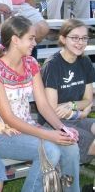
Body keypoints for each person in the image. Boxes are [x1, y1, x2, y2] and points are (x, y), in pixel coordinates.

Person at [0, 15, 93, 192]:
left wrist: (61, 128)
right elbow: (9, 118)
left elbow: (44, 105)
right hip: (1, 134)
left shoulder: (31, 64)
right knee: (51, 150)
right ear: (15, 40)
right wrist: (48, 134)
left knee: (71, 147)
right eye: (31, 39)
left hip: (28, 129)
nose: (35, 43)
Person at [41, 19, 95, 164]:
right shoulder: (52, 65)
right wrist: (80, 111)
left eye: (84, 38)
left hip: (77, 119)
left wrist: (71, 105)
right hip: (55, 124)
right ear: (63, 39)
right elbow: (53, 110)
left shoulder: (85, 62)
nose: (80, 42)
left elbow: (88, 100)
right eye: (75, 38)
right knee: (90, 141)